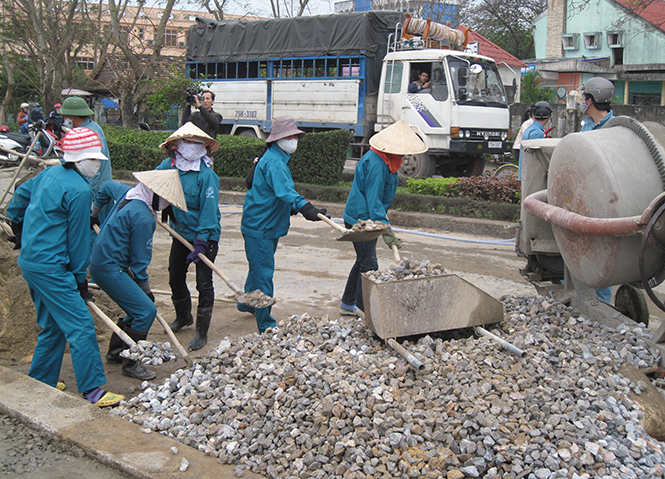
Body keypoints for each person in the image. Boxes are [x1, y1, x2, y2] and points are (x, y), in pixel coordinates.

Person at [5, 127, 123, 407]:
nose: (97, 164)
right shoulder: (80, 190)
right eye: (93, 159)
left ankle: (41, 379)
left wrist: (17, 223)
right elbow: (78, 239)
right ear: (79, 159)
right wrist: (80, 278)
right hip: (51, 267)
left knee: (53, 325)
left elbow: (20, 196)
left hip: (31, 262)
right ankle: (93, 391)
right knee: (81, 326)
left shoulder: (49, 173)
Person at [89, 170, 187, 380]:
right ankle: (131, 363)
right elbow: (139, 261)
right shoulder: (143, 217)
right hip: (109, 268)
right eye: (166, 200)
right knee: (146, 310)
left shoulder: (129, 192)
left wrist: (94, 214)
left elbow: (106, 188)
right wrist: (145, 290)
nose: (167, 205)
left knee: (136, 308)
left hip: (100, 261)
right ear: (155, 194)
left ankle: (116, 352)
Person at [238, 115, 328, 333]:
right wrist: (306, 208)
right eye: (290, 136)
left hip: (265, 223)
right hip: (260, 226)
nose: (294, 140)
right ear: (278, 139)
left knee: (258, 267)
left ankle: (246, 303)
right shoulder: (275, 162)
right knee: (263, 274)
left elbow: (273, 193)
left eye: (295, 136)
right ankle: (266, 325)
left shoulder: (273, 157)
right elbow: (285, 191)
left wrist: (295, 208)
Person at [340, 120, 427, 315]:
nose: (405, 155)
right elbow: (374, 200)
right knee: (369, 264)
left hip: (368, 216)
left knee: (363, 259)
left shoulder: (387, 160)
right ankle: (364, 310)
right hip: (361, 220)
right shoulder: (377, 163)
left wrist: (383, 223)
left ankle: (348, 302)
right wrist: (386, 229)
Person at [157, 122, 221, 350]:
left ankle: (201, 332)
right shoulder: (169, 166)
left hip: (205, 236)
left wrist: (202, 241)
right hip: (180, 232)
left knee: (203, 283)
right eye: (188, 141)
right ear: (177, 145)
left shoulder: (207, 176)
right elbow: (153, 185)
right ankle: (183, 316)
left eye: (197, 142)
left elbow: (209, 211)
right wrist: (160, 203)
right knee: (175, 275)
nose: (192, 146)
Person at [580, 77, 615, 303]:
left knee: (604, 252)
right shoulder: (586, 126)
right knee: (581, 248)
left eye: (583, 97)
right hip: (583, 198)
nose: (581, 101)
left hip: (607, 202)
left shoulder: (616, 128)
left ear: (590, 100)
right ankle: (580, 296)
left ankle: (601, 302)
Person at [60, 96, 113, 224]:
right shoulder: (93, 127)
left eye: (65, 116)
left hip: (96, 194)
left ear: (72, 117)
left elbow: (93, 171)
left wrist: (89, 199)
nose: (64, 120)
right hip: (103, 189)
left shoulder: (86, 134)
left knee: (93, 233)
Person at [518, 101, 552, 181]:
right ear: (549, 116)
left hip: (526, 175)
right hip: (532, 178)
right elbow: (535, 158)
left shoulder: (530, 129)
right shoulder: (537, 133)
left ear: (533, 115)